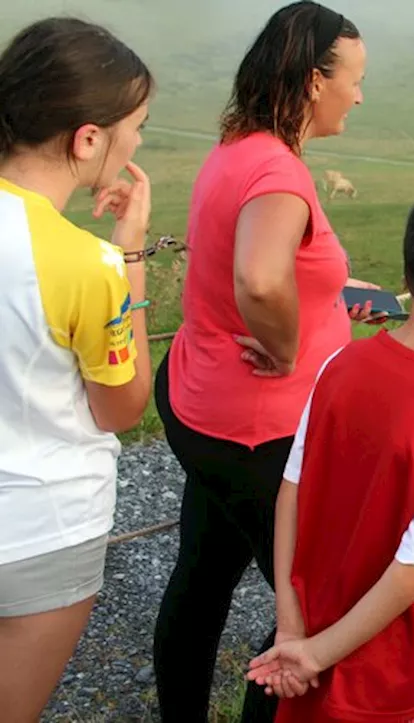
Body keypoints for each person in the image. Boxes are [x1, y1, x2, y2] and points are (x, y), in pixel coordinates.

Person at [150, 3, 380, 720]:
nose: (360, 95)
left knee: (203, 572)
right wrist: (286, 346)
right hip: (259, 428)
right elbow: (256, 277)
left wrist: (334, 302)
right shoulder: (280, 173)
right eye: (355, 79)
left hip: (203, 401)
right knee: (314, 601)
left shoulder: (239, 146)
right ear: (315, 81)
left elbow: (260, 265)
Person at [243, 181, 414, 721]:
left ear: (408, 273)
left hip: (306, 621)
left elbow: (291, 493)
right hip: (378, 673)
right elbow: (411, 572)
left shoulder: (338, 365)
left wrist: (289, 621)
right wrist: (312, 657)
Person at [0, 18, 155, 720]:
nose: (139, 144)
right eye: (138, 125)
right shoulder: (87, 265)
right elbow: (120, 408)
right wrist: (129, 258)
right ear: (88, 138)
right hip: (41, 527)